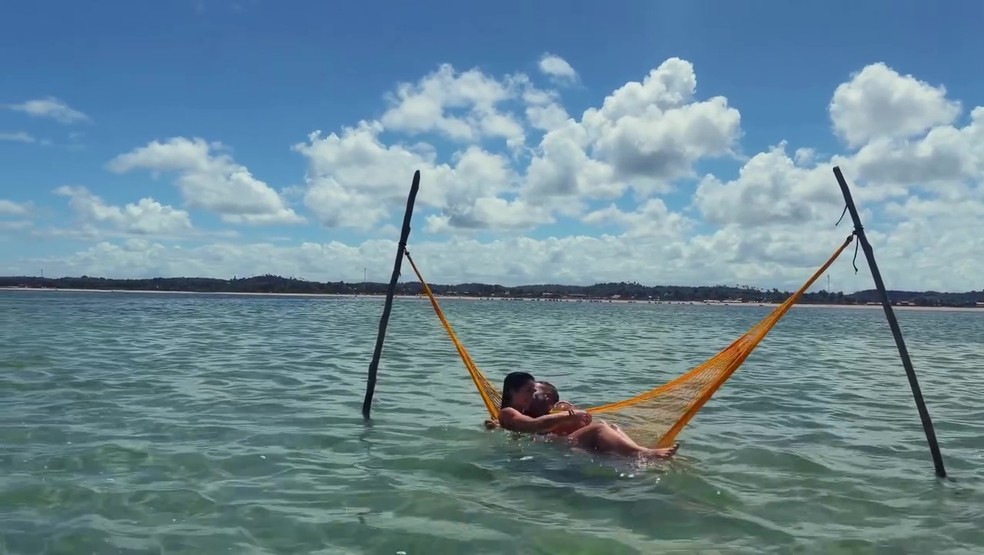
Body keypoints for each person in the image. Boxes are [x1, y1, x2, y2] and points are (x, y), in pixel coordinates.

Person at [495, 371, 679, 459]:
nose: (532, 396)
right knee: (598, 429)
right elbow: (534, 426)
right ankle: (643, 454)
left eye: (534, 391)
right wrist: (570, 415)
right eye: (528, 391)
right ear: (512, 391)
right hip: (557, 448)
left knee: (612, 427)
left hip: (555, 445)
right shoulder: (507, 412)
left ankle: (639, 453)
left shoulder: (521, 413)